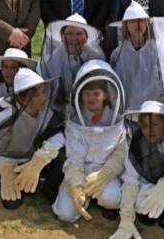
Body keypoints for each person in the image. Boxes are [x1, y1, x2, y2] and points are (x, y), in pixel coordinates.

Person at [53, 60, 126, 223]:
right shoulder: (75, 120)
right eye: (86, 94)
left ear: (105, 95)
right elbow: (74, 159)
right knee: (65, 215)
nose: (91, 98)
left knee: (113, 198)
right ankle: (83, 197)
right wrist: (76, 184)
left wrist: (105, 174)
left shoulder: (115, 119)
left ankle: (103, 201)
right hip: (79, 172)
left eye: (96, 93)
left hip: (104, 174)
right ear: (80, 95)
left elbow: (120, 153)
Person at [0, 68, 66, 210]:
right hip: (11, 160)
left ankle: (49, 189)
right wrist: (4, 168)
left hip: (34, 156)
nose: (43, 98)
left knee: (61, 156)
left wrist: (40, 159)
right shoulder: (5, 117)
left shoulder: (47, 111)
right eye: (36, 95)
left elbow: (60, 134)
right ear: (22, 98)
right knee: (12, 201)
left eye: (44, 92)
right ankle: (0, 176)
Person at [111, 101, 164, 239]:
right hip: (146, 186)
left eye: (154, 124)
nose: (149, 130)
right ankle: (155, 209)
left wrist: (163, 188)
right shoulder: (135, 148)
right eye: (144, 126)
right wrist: (126, 220)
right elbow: (130, 184)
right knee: (147, 219)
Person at [110, 0, 164, 110]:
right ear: (125, 25)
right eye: (132, 21)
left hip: (155, 111)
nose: (137, 24)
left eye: (141, 20)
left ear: (147, 23)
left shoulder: (159, 50)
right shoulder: (117, 54)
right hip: (127, 112)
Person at [37, 14, 105, 110]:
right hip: (57, 108)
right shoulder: (51, 60)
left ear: (86, 37)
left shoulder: (96, 58)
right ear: (62, 37)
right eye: (69, 33)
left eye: (79, 34)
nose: (73, 38)